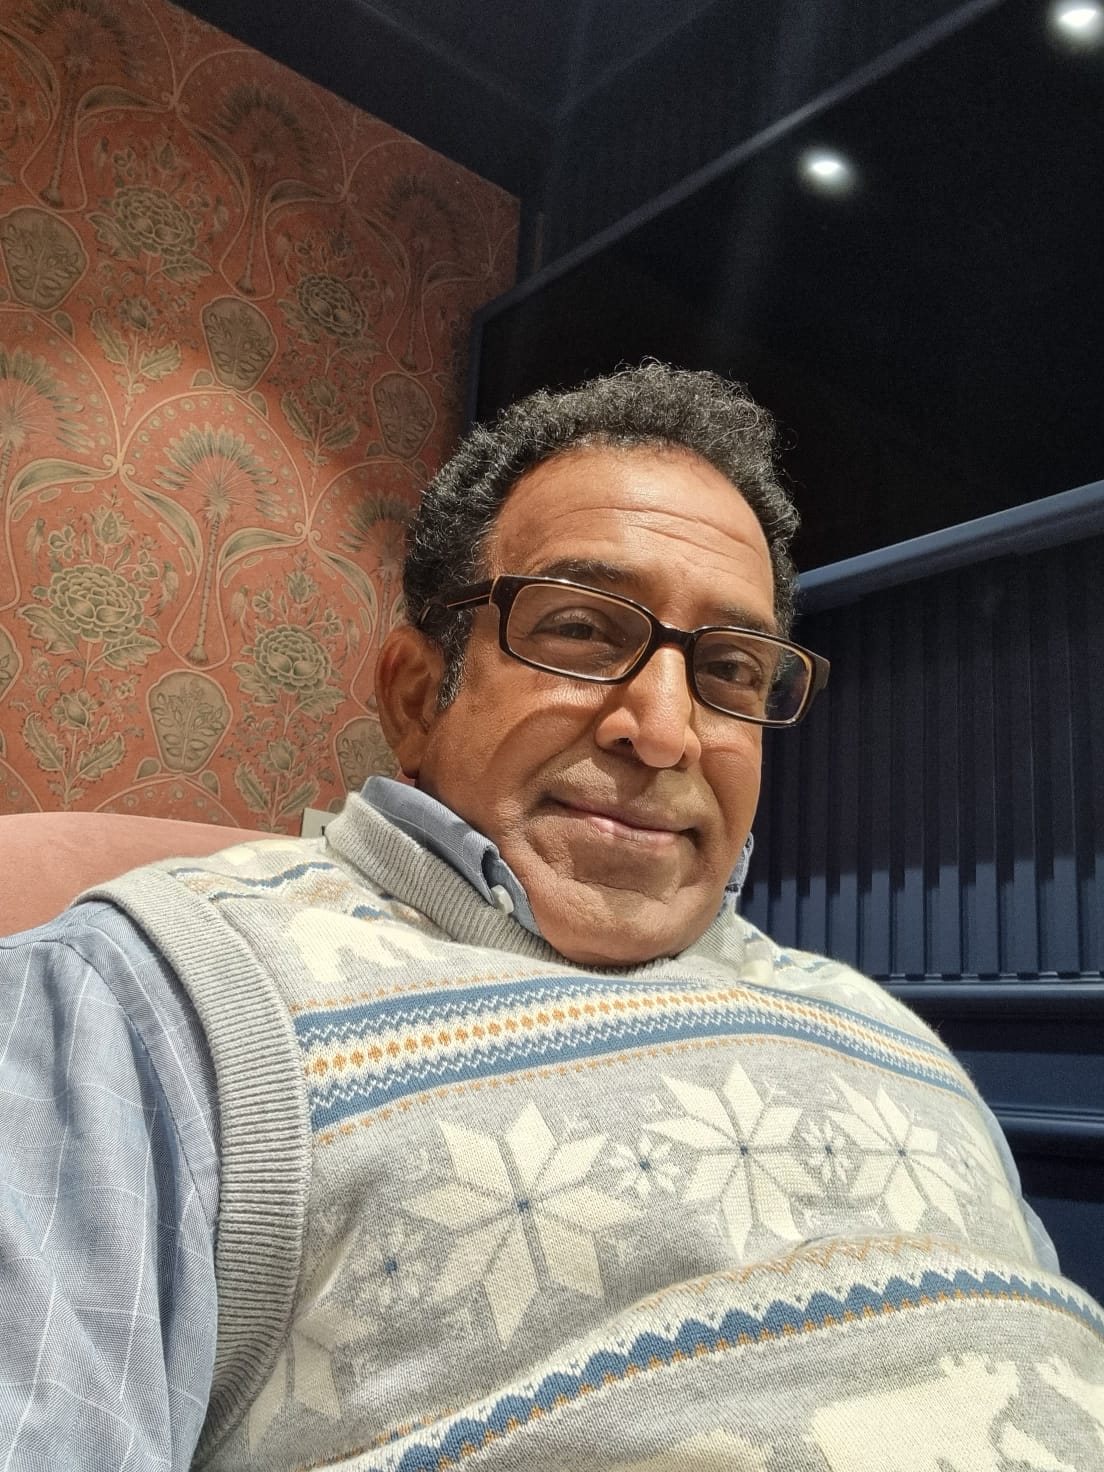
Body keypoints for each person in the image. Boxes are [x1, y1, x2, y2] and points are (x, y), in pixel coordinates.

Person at [2, 364, 1101, 1471]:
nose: (663, 729)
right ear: (414, 695)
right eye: (579, 628)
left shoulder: (879, 1019)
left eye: (728, 667)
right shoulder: (145, 1002)